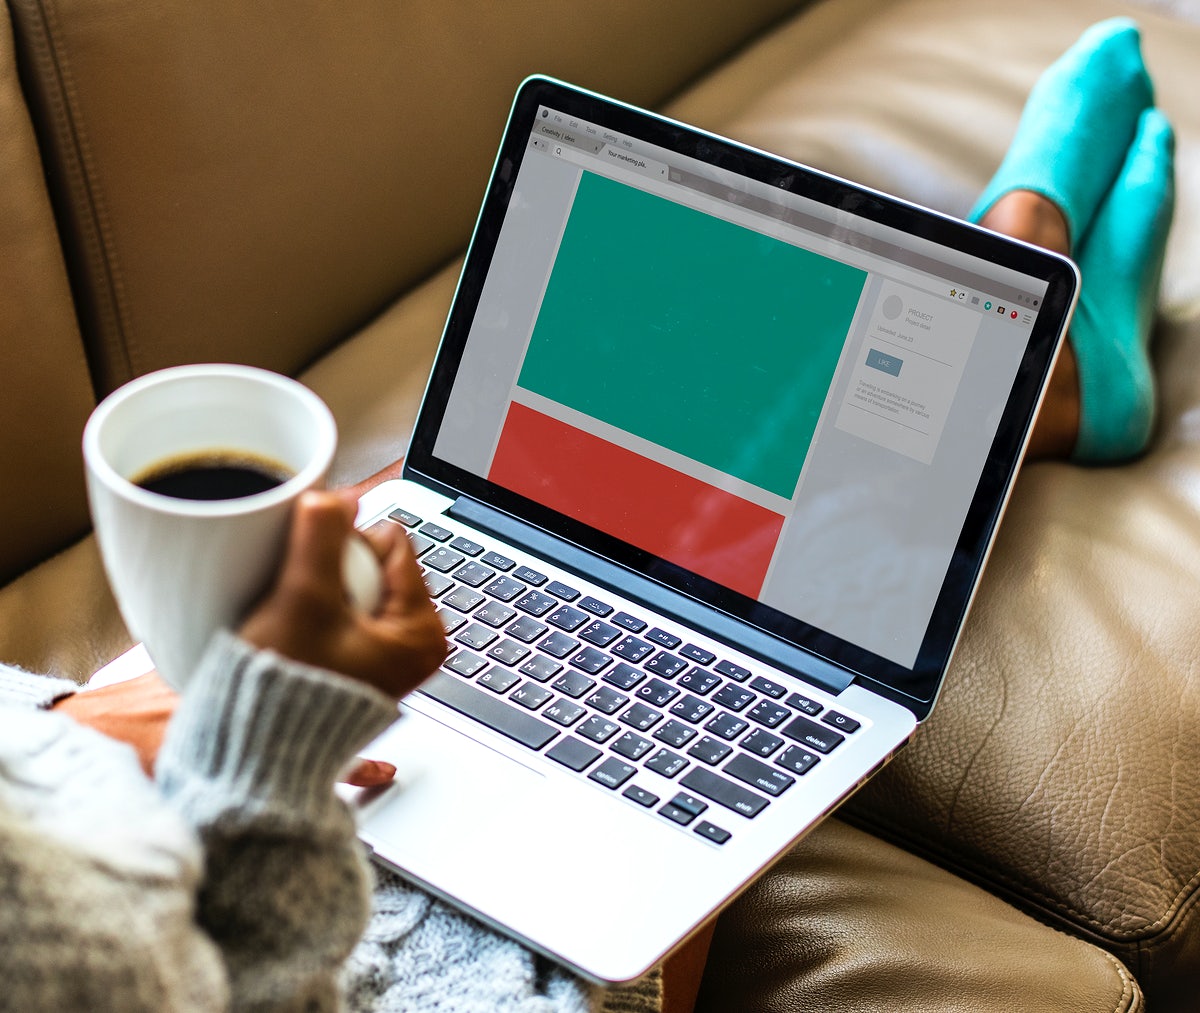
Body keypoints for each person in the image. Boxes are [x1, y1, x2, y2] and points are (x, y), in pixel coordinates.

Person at [0, 16, 1176, 1013]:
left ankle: (1052, 341)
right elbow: (217, 964)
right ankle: (1040, 301)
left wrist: (104, 729)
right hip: (359, 951)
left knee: (435, 511)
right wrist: (264, 735)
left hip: (116, 799)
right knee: (781, 547)